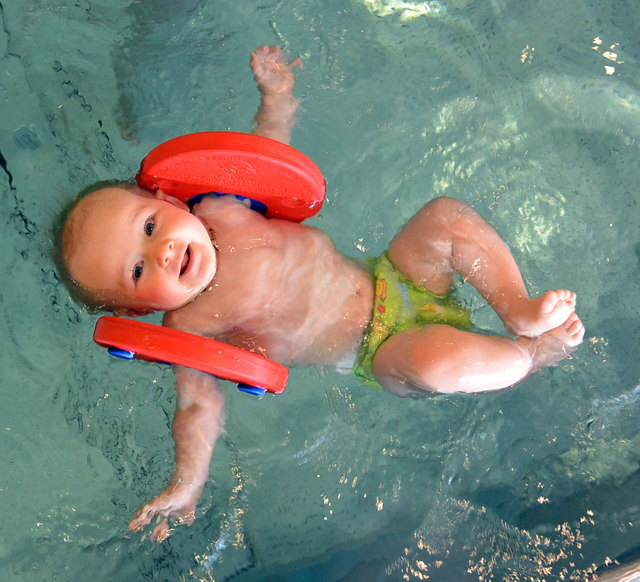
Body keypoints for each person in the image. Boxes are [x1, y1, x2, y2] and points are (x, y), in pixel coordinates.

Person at [59, 45, 584, 541]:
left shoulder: (222, 206)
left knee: (444, 217)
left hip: (391, 275)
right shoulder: (189, 327)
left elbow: (270, 155)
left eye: (150, 229)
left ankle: (517, 307)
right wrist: (188, 481)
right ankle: (531, 354)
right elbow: (198, 406)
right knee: (437, 363)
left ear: (166, 199)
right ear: (139, 308)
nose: (164, 254)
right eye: (136, 269)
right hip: (380, 350)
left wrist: (276, 95)